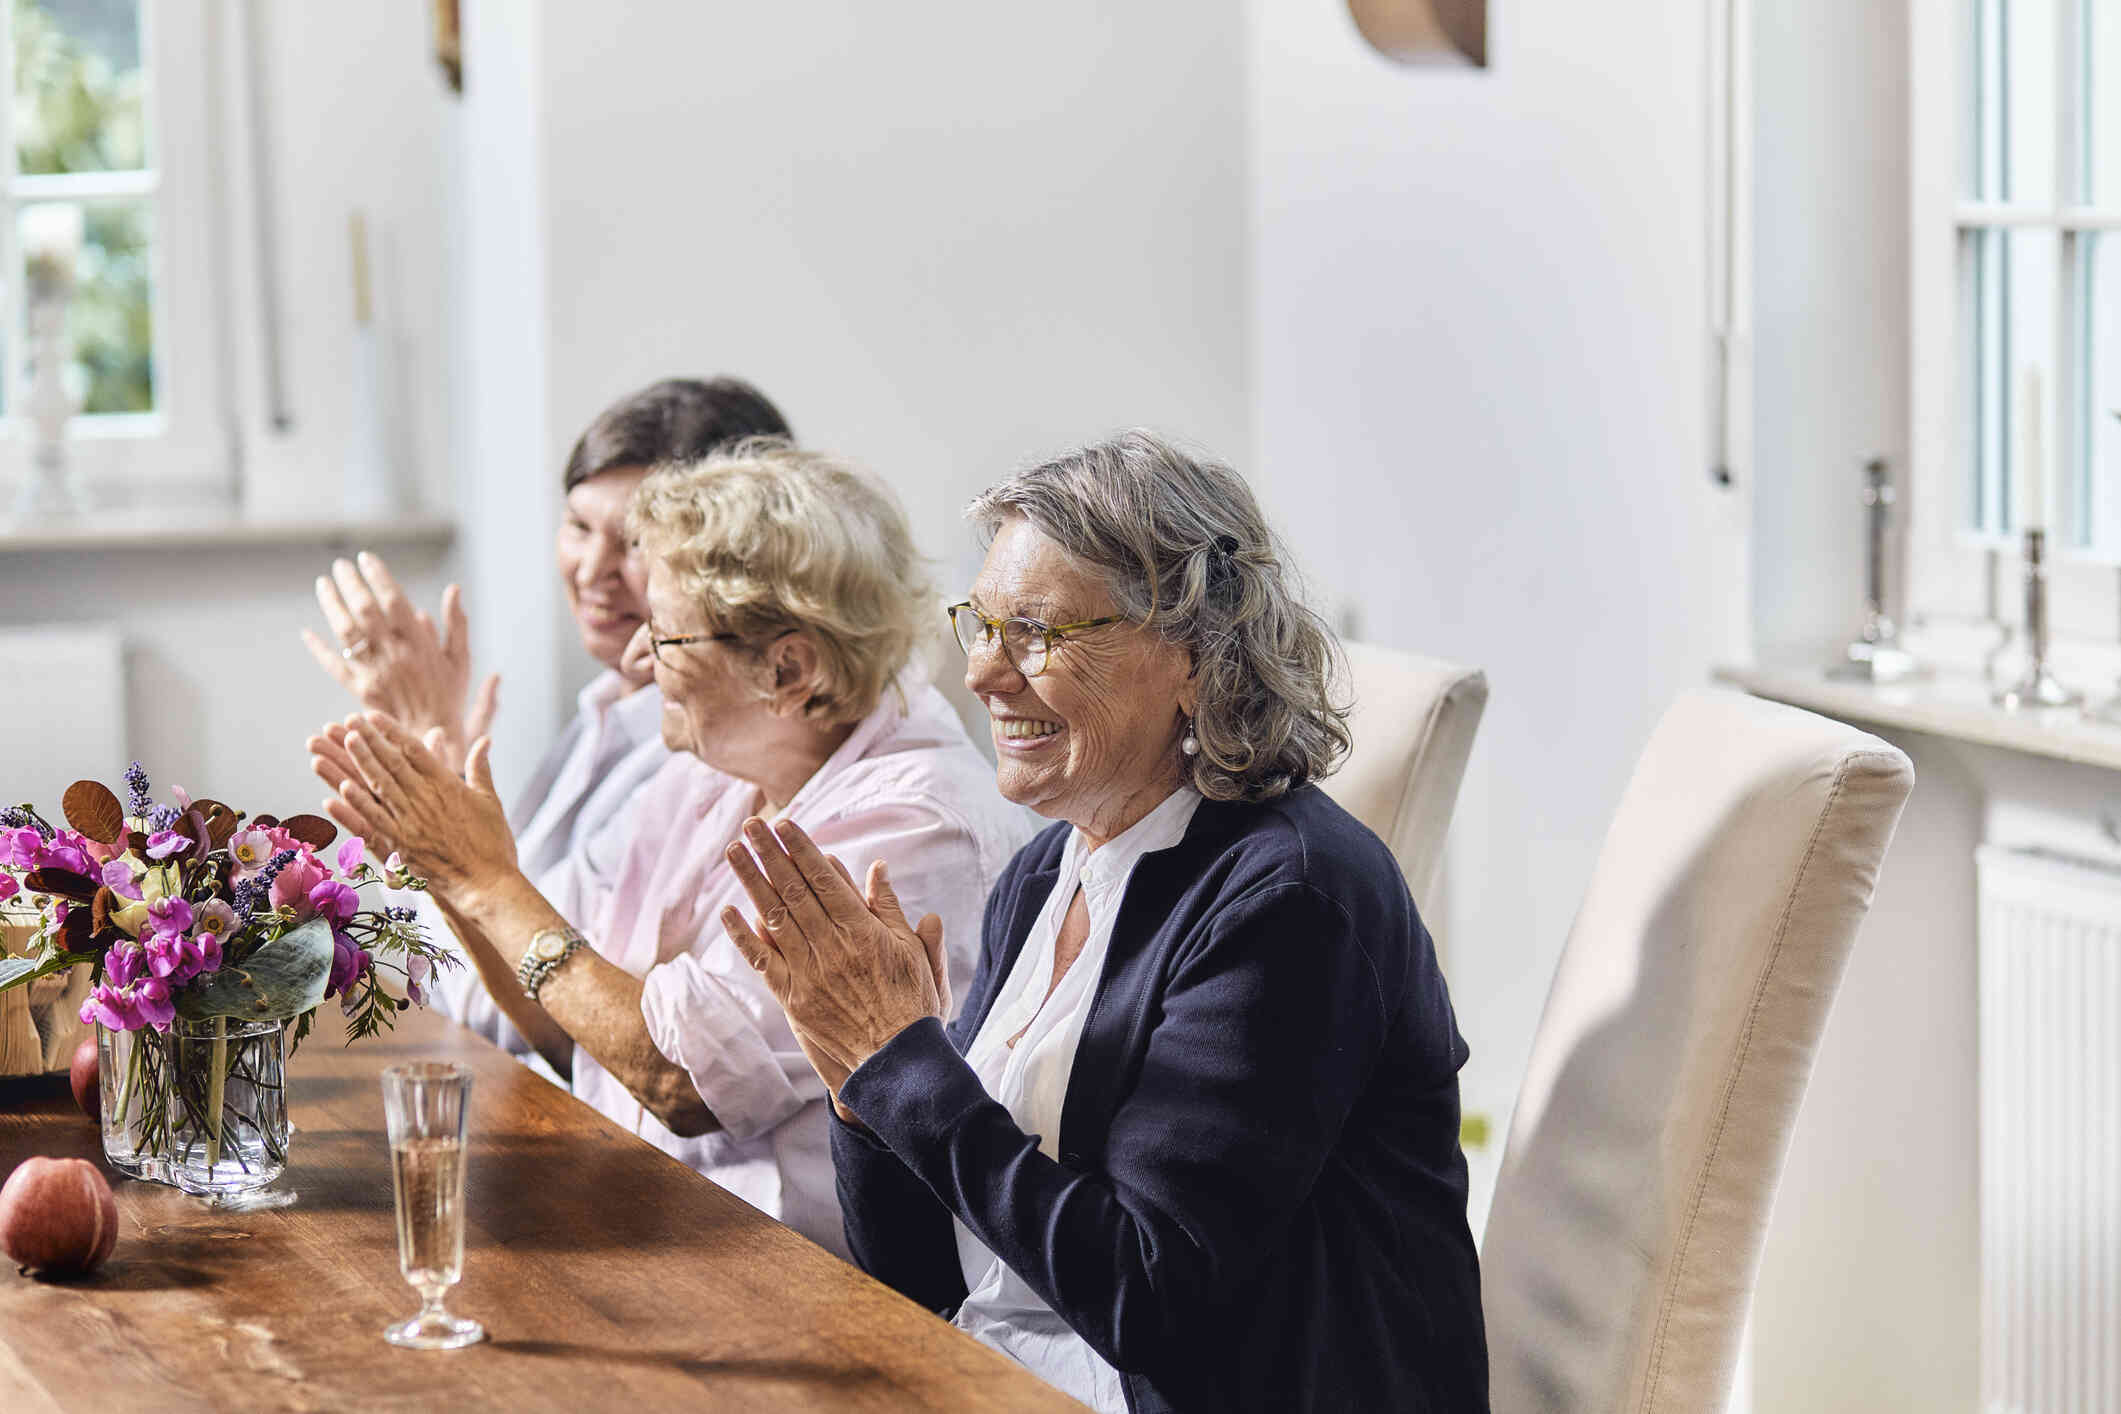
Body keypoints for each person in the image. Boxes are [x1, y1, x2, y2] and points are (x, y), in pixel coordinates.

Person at [719, 431, 1488, 1411]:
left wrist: (908, 1064)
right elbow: (927, 1285)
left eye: (1036, 632)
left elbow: (1147, 1294)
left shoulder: (1289, 902)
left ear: (1197, 662)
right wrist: (861, 1089)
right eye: (980, 624)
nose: (986, 675)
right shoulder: (1046, 870)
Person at [315, 442, 1035, 1255]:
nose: (636, 663)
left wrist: (488, 881)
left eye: (664, 638)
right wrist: (449, 866)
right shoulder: (714, 770)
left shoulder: (914, 825)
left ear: (786, 669)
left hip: (791, 1282)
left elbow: (680, 1081)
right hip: (639, 1212)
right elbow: (567, 1023)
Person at [302, 377, 792, 1064]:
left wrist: (433, 773)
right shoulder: (603, 708)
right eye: (579, 527)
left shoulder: (709, 752)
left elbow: (532, 1015)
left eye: (635, 542)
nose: (593, 570)